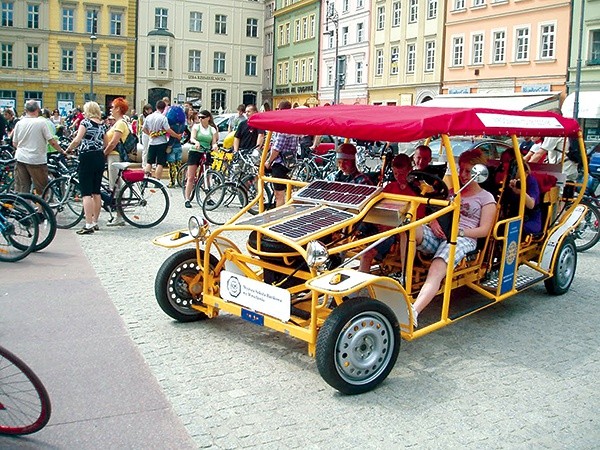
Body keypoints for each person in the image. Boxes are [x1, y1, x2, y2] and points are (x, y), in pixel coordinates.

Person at [411, 149, 496, 327]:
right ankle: (403, 280)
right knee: (411, 228)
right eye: (461, 170)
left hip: (464, 238)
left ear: (478, 173)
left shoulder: (486, 198)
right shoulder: (453, 192)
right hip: (442, 233)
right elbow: (436, 210)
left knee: (437, 267)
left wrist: (460, 233)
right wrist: (433, 221)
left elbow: (485, 230)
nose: (463, 175)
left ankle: (414, 311)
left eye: (468, 171)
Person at [359, 154, 425, 273]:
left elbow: (417, 218)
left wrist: (390, 226)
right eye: (395, 174)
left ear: (410, 171)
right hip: (381, 225)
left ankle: (357, 288)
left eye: (401, 174)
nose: (398, 177)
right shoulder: (390, 187)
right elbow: (378, 206)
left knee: (367, 255)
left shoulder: (417, 192)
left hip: (397, 233)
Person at [65, 101, 107, 234]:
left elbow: (77, 140)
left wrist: (68, 149)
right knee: (96, 191)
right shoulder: (103, 125)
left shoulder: (85, 123)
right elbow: (105, 143)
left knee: (86, 193)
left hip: (87, 157)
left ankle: (88, 224)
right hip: (99, 157)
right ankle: (95, 222)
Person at [12, 100, 64, 194]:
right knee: (42, 189)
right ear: (37, 109)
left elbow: (15, 143)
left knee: (23, 188)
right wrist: (62, 151)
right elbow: (51, 141)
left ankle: (25, 207)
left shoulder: (19, 123)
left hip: (20, 158)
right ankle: (41, 208)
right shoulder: (41, 123)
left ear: (25, 110)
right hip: (37, 159)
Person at [264, 100, 299, 207]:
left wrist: (269, 161)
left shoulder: (283, 126)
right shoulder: (293, 123)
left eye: (278, 109)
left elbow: (277, 148)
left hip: (280, 164)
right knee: (284, 190)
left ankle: (279, 215)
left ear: (281, 110)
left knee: (279, 194)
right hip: (289, 162)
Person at [103, 97, 131, 226]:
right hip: (113, 156)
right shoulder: (117, 123)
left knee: (115, 186)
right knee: (116, 185)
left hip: (115, 156)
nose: (110, 109)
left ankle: (120, 216)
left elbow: (114, 142)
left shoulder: (120, 123)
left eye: (113, 107)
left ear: (118, 109)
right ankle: (119, 215)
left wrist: (104, 153)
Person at [185, 109, 219, 208]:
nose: (200, 119)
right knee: (191, 177)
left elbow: (213, 141)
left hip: (206, 151)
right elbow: (192, 138)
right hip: (195, 151)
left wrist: (215, 146)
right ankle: (187, 199)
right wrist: (196, 142)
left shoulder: (212, 129)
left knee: (207, 175)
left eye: (202, 117)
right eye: (199, 117)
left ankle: (208, 198)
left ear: (208, 118)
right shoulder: (196, 127)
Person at [142, 99, 182, 181]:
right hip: (161, 142)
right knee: (159, 163)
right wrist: (177, 136)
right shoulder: (163, 118)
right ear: (164, 109)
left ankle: (145, 180)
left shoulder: (149, 117)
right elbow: (168, 130)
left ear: (156, 107)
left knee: (149, 162)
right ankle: (157, 180)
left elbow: (143, 129)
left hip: (152, 142)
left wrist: (150, 134)